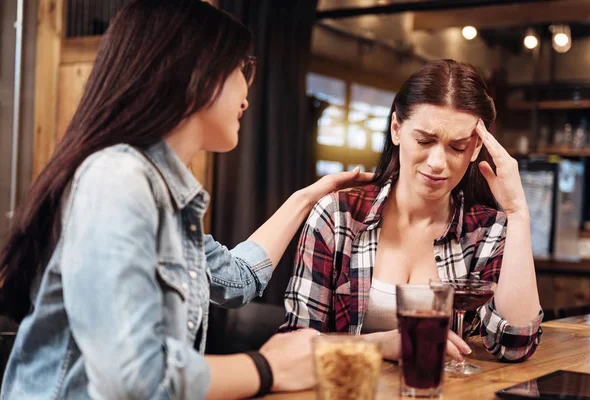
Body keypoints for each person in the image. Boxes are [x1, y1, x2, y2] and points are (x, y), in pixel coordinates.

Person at [0, 1, 371, 399]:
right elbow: (134, 380)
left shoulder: (164, 197)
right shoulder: (120, 179)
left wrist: (309, 195)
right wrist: (268, 368)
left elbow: (239, 280)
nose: (247, 95)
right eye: (241, 69)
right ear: (198, 72)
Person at [280, 60, 543, 363]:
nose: (437, 162)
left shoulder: (487, 229)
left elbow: (515, 345)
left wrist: (518, 212)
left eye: (457, 147)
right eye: (424, 140)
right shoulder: (338, 217)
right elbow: (295, 344)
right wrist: (385, 345)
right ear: (396, 129)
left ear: (473, 150)